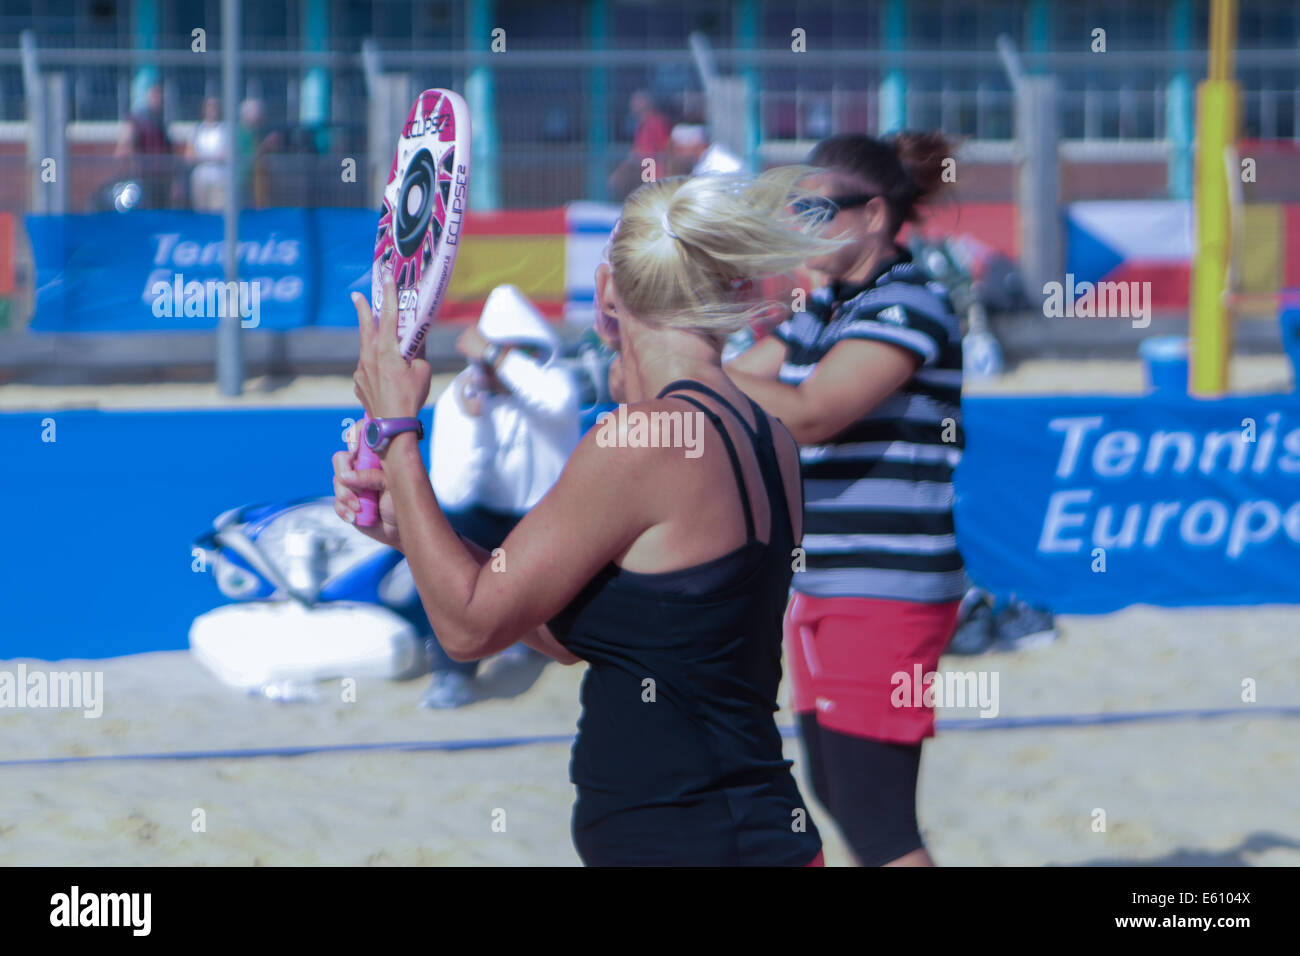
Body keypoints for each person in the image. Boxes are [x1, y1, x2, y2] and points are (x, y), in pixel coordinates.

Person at [333, 168, 843, 866]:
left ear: (608, 293)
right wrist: (419, 537)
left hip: (692, 844)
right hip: (757, 832)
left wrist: (398, 428)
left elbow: (466, 627)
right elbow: (583, 633)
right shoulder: (768, 435)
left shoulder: (639, 442)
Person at [726, 132, 963, 867]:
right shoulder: (819, 312)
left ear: (872, 217)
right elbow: (727, 387)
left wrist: (689, 366)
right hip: (819, 582)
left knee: (878, 818)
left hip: (886, 589)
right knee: (836, 793)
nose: (797, 226)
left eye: (813, 210)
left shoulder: (911, 305)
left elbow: (813, 412)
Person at [417, 285, 582, 708]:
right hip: (484, 516)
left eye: (507, 354)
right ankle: (453, 673)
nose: (492, 366)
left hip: (547, 517)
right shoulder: (461, 398)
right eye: (489, 354)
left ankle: (530, 641)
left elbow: (556, 399)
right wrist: (477, 428)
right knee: (451, 558)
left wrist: (495, 355)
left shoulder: (555, 383)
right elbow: (453, 495)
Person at [114, 82, 176, 209]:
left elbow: (169, 152)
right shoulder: (137, 121)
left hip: (161, 180)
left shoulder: (161, 123)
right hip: (143, 179)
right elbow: (123, 149)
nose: (159, 98)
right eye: (155, 94)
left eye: (161, 95)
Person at [606, 90, 671, 201]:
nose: (632, 104)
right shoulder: (642, 124)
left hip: (653, 170)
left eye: (636, 101)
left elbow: (662, 150)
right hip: (644, 170)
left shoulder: (655, 122)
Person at [187, 97, 228, 213]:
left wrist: (203, 157)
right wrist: (212, 157)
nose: (212, 111)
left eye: (215, 108)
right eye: (209, 107)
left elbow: (225, 154)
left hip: (219, 179)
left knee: (217, 212)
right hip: (200, 179)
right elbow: (190, 155)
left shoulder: (225, 129)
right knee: (201, 213)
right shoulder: (198, 130)